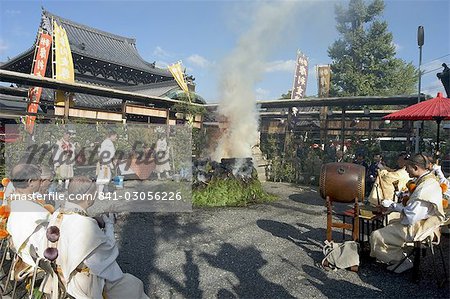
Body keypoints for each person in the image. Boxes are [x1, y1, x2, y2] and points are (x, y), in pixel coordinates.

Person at [45, 176, 149, 298]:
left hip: (57, 276)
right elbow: (107, 253)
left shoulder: (58, 213)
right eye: (94, 194)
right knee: (134, 284)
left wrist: (97, 221)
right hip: (82, 283)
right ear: (88, 197)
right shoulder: (85, 224)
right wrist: (109, 224)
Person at [370, 153, 446, 273]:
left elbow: (411, 216)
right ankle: (399, 254)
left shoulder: (426, 187)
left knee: (376, 236)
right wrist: (392, 208)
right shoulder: (427, 180)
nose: (406, 170)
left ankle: (402, 260)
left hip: (421, 227)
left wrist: (392, 205)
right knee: (388, 219)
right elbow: (413, 209)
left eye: (407, 167)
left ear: (416, 167)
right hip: (421, 221)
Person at [6, 164, 50, 269]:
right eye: (39, 180)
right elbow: (45, 245)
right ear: (30, 182)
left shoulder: (17, 203)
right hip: (38, 259)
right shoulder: (31, 210)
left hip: (29, 254)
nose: (41, 183)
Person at [96, 130, 118, 197]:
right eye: (115, 137)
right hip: (105, 163)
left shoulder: (108, 142)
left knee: (107, 177)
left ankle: (106, 192)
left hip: (107, 162)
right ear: (112, 135)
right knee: (103, 177)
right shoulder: (107, 143)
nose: (116, 138)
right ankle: (100, 193)